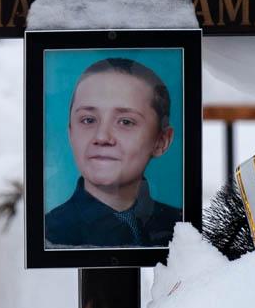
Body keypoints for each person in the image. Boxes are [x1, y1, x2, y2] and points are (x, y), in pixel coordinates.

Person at [45, 56, 182, 249]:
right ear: (70, 133)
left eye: (126, 122)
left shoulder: (182, 232)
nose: (102, 137)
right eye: (88, 120)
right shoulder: (50, 235)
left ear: (161, 141)